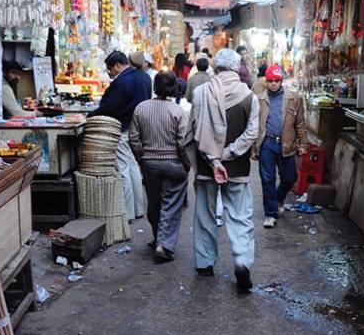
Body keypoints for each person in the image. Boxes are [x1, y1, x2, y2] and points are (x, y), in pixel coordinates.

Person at [191, 48, 259, 292]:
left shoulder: (200, 93)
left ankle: (205, 262)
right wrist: (229, 153)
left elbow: (194, 129)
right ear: (237, 67)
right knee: (240, 216)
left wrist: (213, 158)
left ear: (215, 67)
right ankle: (241, 261)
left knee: (204, 214)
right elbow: (252, 134)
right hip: (237, 168)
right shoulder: (249, 96)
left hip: (206, 167)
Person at [129, 72, 192, 262]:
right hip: (174, 163)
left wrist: (141, 159)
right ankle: (164, 245)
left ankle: (158, 237)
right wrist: (186, 163)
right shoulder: (178, 111)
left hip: (150, 164)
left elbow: (133, 139)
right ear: (174, 88)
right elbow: (182, 143)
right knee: (171, 205)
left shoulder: (141, 108)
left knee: (154, 203)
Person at [90, 50, 152, 220]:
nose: (110, 73)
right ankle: (138, 209)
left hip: (123, 128)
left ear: (117, 65)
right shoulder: (144, 77)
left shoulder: (123, 81)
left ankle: (127, 213)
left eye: (110, 69)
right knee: (132, 167)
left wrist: (92, 114)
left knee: (123, 168)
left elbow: (109, 106)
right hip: (138, 128)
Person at [253, 65, 308, 227]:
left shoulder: (293, 98)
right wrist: (253, 148)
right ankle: (270, 214)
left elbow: (300, 124)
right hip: (267, 143)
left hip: (286, 143)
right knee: (267, 179)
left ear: (281, 81)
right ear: (266, 81)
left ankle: (278, 198)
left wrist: (303, 143)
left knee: (290, 177)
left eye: (276, 81)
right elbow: (254, 125)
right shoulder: (259, 99)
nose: (273, 84)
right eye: (270, 81)